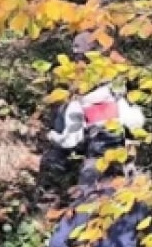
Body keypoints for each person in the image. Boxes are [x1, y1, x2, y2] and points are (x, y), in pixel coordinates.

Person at [40, 32, 146, 190]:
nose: (79, 59)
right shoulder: (111, 88)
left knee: (89, 190)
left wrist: (53, 136)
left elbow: (71, 138)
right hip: (117, 147)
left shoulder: (83, 97)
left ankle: (59, 159)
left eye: (81, 55)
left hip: (102, 149)